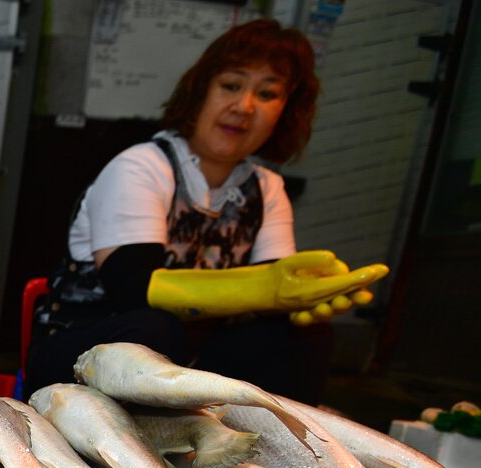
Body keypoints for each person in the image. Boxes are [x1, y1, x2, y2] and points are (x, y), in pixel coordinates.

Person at [24, 19, 387, 405]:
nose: (244, 107)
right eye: (231, 86)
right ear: (200, 91)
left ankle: (276, 454)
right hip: (81, 353)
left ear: (286, 110)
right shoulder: (142, 166)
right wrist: (267, 288)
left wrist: (303, 300)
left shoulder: (267, 188)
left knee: (297, 335)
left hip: (191, 363)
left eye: (267, 94)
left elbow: (274, 301)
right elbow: (132, 287)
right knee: (153, 328)